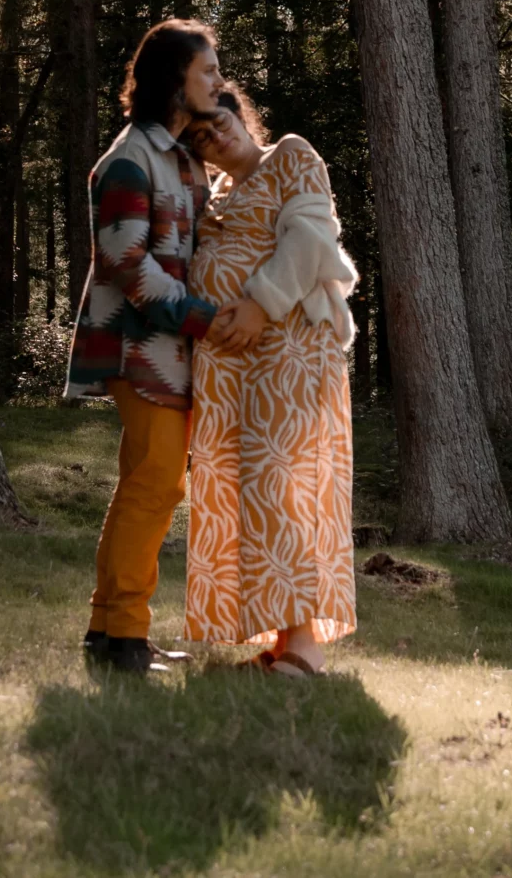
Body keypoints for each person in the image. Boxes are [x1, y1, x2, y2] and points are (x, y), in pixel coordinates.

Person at [64, 18, 227, 675]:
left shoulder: (179, 156)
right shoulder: (131, 159)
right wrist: (205, 317)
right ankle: (126, 636)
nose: (219, 81)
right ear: (174, 79)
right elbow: (129, 265)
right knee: (156, 484)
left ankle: (109, 631)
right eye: (208, 70)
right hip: (141, 348)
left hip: (169, 352)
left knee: (145, 484)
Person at [181, 84, 359, 676]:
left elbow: (311, 238)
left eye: (220, 117)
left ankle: (305, 648)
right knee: (253, 494)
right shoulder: (215, 197)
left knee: (288, 486)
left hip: (291, 353)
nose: (216, 133)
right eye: (200, 134)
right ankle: (283, 641)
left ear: (240, 111)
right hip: (236, 372)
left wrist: (260, 303)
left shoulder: (290, 156)